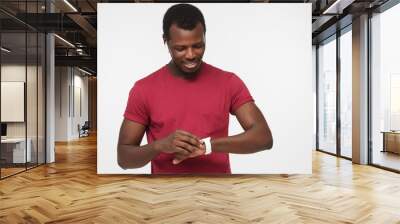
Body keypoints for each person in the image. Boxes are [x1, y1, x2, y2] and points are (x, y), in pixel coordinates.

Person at [117, 3, 273, 174]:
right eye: (180, 48)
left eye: (197, 46)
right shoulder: (143, 89)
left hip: (218, 194)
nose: (191, 55)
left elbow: (263, 138)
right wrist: (159, 146)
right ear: (165, 41)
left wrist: (207, 146)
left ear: (205, 37)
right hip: (164, 196)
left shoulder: (229, 82)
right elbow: (124, 158)